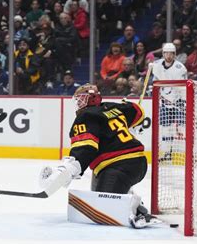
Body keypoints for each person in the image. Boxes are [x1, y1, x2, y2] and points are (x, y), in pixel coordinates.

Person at [38, 84, 158, 228]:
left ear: (91, 98)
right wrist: (128, 105)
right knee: (98, 192)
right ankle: (130, 198)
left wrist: (69, 168)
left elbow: (86, 148)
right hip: (138, 163)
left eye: (81, 99)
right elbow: (137, 111)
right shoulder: (113, 107)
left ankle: (134, 210)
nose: (78, 103)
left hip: (119, 166)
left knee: (103, 209)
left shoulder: (86, 116)